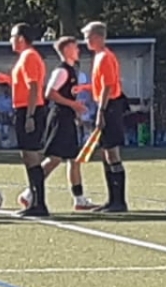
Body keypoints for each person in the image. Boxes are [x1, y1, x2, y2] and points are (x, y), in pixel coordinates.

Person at [34, 34, 92, 211]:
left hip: (68, 117)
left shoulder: (72, 70)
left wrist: (76, 110)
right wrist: (72, 104)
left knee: (74, 159)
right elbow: (50, 93)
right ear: (67, 50)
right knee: (54, 159)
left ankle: (79, 199)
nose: (78, 50)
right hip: (59, 117)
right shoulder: (62, 71)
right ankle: (30, 192)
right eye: (75, 47)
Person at [0, 24, 52, 217]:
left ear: (21, 38)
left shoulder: (29, 56)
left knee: (32, 155)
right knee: (27, 156)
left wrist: (30, 115)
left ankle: (39, 203)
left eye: (12, 36)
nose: (10, 40)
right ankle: (34, 201)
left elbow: (34, 87)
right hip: (23, 108)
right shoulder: (25, 57)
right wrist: (7, 80)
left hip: (30, 109)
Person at [82, 21, 131, 213]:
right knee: (105, 152)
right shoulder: (99, 57)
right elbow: (100, 85)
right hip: (105, 104)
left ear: (98, 37)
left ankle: (119, 201)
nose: (86, 41)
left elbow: (108, 86)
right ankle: (111, 199)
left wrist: (101, 111)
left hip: (110, 106)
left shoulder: (105, 57)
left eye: (88, 37)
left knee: (112, 152)